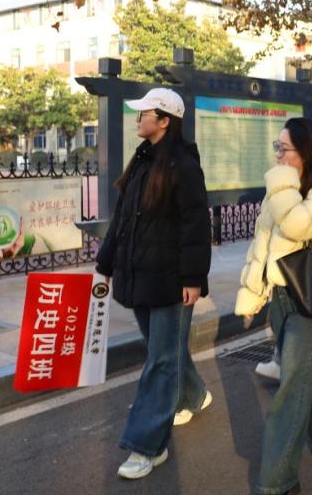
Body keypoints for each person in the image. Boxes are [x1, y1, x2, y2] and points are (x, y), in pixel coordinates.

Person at [94, 88, 213, 480]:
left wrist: (193, 278)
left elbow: (196, 224)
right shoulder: (143, 160)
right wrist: (106, 262)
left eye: (144, 113)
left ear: (164, 120)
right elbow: (122, 219)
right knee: (165, 350)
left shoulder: (184, 165)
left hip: (171, 281)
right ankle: (194, 395)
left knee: (160, 359)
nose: (138, 118)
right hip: (141, 275)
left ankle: (147, 446)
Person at [235, 118, 312, 495]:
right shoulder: (281, 191)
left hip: (311, 301)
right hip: (281, 297)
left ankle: (277, 482)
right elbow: (262, 245)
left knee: (291, 388)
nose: (278, 155)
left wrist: (282, 182)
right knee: (303, 370)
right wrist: (253, 296)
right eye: (277, 147)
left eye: (283, 148)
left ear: (306, 153)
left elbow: (298, 226)